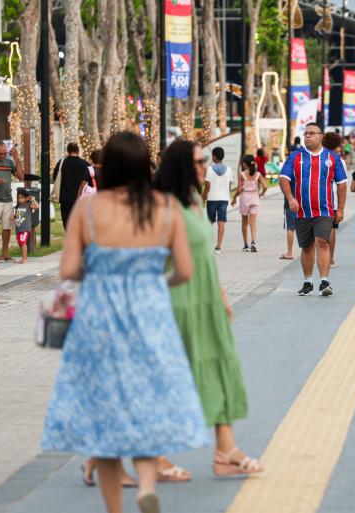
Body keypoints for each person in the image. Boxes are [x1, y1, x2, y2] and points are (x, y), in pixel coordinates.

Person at [41, 132, 208, 513]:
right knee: (145, 399)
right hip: (150, 315)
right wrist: (153, 282)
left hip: (100, 317)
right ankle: (146, 485)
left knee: (106, 411)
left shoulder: (88, 209)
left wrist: (102, 272)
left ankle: (115, 508)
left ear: (106, 167)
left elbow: (67, 269)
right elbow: (184, 270)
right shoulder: (165, 207)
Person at [154, 139, 262, 477]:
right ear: (182, 166)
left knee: (221, 367)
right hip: (178, 304)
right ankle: (155, 455)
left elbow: (204, 258)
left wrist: (221, 294)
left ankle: (225, 450)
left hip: (207, 301)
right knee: (173, 377)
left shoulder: (192, 201)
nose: (205, 167)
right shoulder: (163, 207)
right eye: (199, 162)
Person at [279, 122, 347, 297]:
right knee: (307, 246)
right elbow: (283, 178)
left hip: (324, 210)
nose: (308, 136)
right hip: (302, 211)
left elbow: (341, 184)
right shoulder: (296, 156)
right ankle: (307, 282)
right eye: (306, 133)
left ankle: (324, 281)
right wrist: (291, 198)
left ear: (320, 136)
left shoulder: (332, 157)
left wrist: (340, 209)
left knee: (322, 242)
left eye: (311, 133)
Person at [232, 155, 267, 253]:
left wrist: (234, 198)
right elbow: (265, 186)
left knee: (244, 222)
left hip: (244, 199)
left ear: (245, 164)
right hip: (255, 199)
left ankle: (246, 245)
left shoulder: (242, 174)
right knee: (253, 222)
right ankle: (253, 242)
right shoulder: (258, 174)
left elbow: (239, 190)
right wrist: (260, 194)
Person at [52, 143, 92, 230]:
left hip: (65, 198)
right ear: (78, 151)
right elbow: (91, 180)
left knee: (67, 221)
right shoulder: (85, 164)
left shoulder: (62, 163)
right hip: (80, 198)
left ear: (68, 151)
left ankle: (70, 234)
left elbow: (55, 178)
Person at [203, 147, 232, 254]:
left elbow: (208, 186)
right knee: (221, 222)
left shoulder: (209, 169)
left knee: (210, 222)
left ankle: (209, 245)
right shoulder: (228, 169)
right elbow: (229, 185)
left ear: (214, 157)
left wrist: (203, 196)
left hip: (212, 199)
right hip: (224, 199)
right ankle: (218, 246)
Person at [322, 132, 345, 268]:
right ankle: (330, 259)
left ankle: (319, 256)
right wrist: (341, 208)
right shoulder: (338, 160)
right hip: (333, 199)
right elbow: (342, 183)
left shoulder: (317, 157)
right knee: (331, 229)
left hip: (316, 198)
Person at [13, 190, 39, 264]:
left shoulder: (28, 205)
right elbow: (16, 215)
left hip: (25, 229)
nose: (20, 199)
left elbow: (37, 206)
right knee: (20, 243)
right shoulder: (17, 206)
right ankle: (23, 258)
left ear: (26, 198)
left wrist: (32, 199)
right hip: (18, 228)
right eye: (18, 198)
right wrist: (13, 217)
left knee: (23, 242)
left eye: (22, 198)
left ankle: (25, 259)